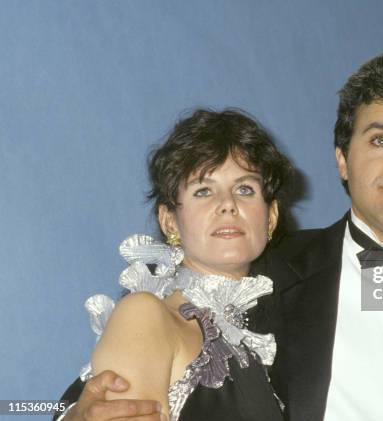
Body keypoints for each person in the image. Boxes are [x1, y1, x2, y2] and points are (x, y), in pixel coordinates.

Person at [58, 49, 383, 421]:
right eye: (380, 139)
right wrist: (74, 415)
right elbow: (121, 374)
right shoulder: (257, 271)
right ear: (343, 158)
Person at [55, 108, 291, 421]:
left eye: (244, 189)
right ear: (170, 222)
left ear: (271, 217)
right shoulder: (145, 315)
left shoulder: (262, 339)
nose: (228, 205)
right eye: (203, 191)